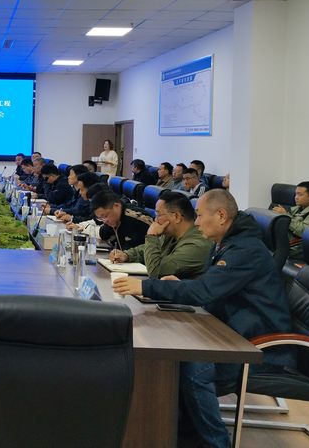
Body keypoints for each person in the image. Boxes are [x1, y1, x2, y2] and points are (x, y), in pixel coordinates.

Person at [113, 190, 295, 448]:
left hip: (259, 347)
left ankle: (215, 443)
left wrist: (144, 287)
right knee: (173, 356)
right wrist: (182, 283)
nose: (196, 222)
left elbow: (205, 291)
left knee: (194, 369)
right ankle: (176, 435)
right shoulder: (226, 243)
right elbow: (213, 285)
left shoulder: (245, 250)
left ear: (221, 216)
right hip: (231, 331)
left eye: (199, 215)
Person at [108, 191, 212, 279]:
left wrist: (152, 236)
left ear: (176, 216)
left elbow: (156, 272)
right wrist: (126, 255)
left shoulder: (196, 246)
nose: (155, 220)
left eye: (158, 215)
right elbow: (148, 249)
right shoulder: (171, 234)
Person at [272, 181, 309, 260]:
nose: (296, 197)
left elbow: (303, 231)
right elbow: (287, 211)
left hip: (297, 247)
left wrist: (285, 215)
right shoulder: (300, 207)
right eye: (296, 194)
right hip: (285, 240)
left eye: (300, 195)